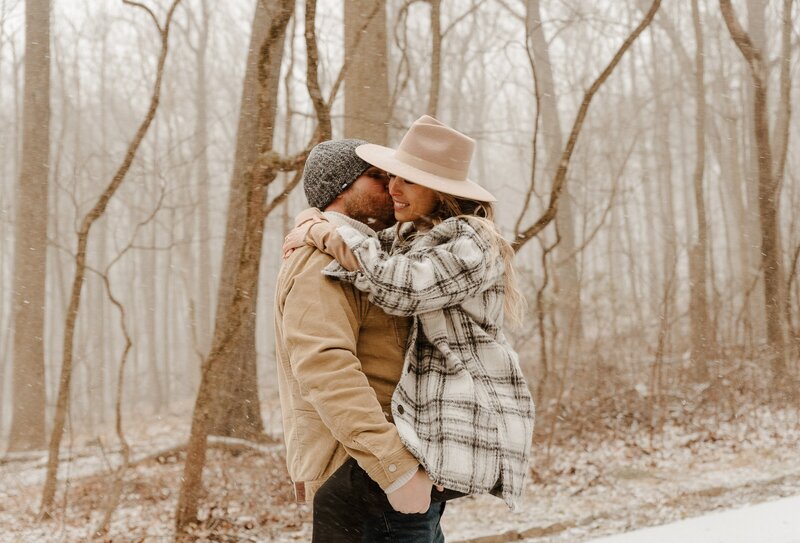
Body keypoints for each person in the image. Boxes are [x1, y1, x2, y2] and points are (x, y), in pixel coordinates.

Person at [284, 115, 536, 541]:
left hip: (457, 421)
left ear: (440, 191)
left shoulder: (474, 241)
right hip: (416, 437)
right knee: (341, 501)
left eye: (406, 181)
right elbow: (325, 356)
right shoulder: (410, 238)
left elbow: (398, 285)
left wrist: (320, 230)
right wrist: (317, 225)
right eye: (386, 178)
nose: (393, 189)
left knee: (341, 502)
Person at [274, 139, 446, 542]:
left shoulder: (370, 256)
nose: (391, 186)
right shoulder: (320, 261)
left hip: (388, 474)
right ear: (339, 188)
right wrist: (396, 467)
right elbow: (326, 370)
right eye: (376, 177)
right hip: (367, 479)